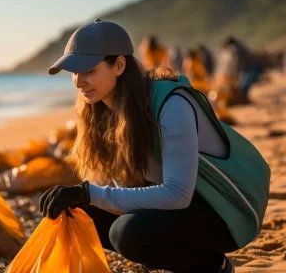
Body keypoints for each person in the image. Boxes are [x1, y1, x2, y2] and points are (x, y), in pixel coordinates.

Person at [39, 20, 270, 273]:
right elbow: (110, 185)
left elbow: (177, 194)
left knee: (128, 234)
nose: (79, 82)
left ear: (118, 65)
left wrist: (89, 192)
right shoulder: (101, 110)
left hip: (228, 211)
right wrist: (80, 197)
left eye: (89, 71)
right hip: (183, 208)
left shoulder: (171, 104)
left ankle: (212, 265)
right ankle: (181, 260)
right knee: (78, 211)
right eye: (74, 72)